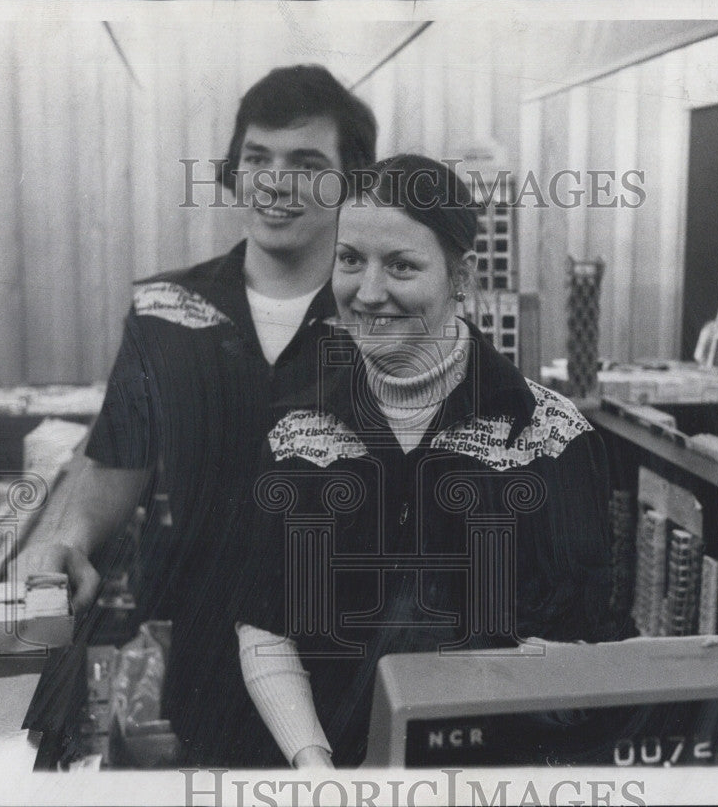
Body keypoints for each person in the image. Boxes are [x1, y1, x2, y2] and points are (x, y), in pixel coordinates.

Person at [13, 64, 376, 766]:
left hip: (362, 677)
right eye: (257, 159)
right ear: (233, 174)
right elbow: (113, 466)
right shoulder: (165, 315)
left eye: (307, 163)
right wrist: (68, 538)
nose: (276, 182)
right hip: (210, 678)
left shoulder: (385, 316)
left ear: (351, 183)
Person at [234, 155, 627, 769]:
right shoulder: (295, 431)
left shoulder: (549, 436)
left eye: (402, 266)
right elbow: (265, 624)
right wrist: (316, 769)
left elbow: (579, 644)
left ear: (461, 278)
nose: (367, 293)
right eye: (350, 259)